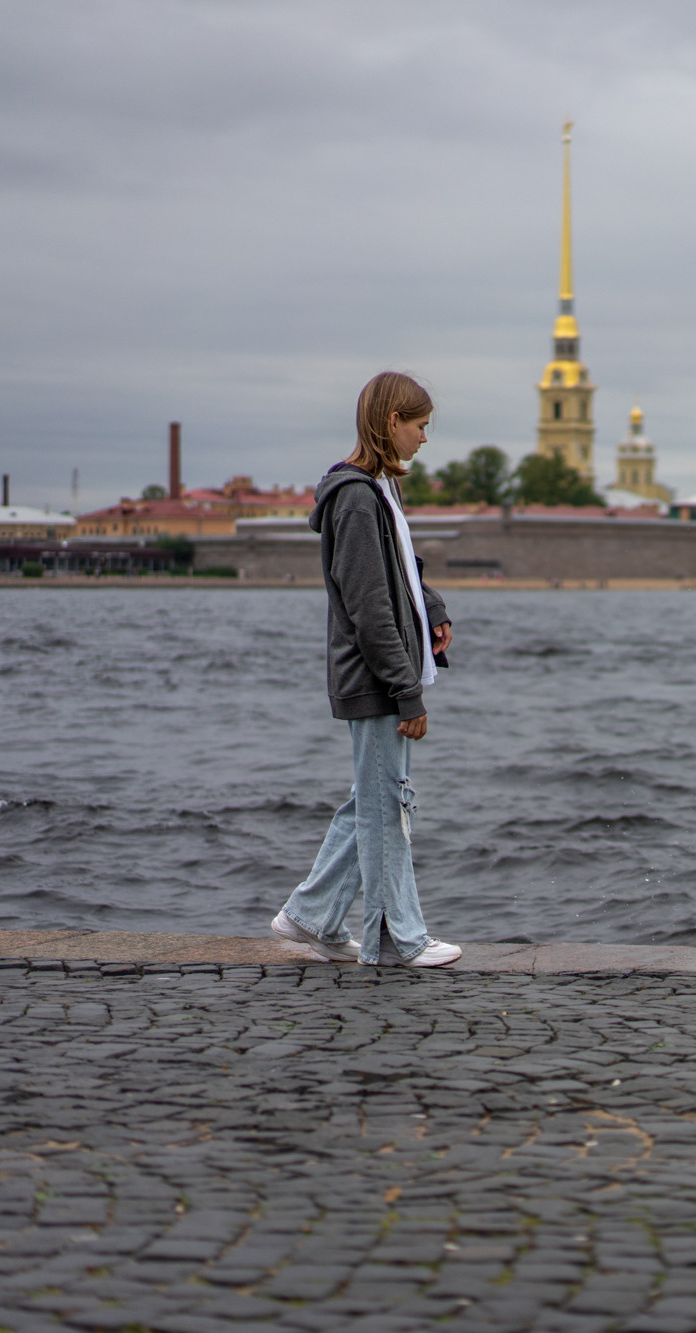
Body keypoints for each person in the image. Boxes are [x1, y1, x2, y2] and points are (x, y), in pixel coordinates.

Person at [270, 371, 463, 967]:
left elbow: (405, 567)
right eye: (420, 426)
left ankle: (311, 917)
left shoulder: (383, 490)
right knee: (387, 811)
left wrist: (432, 610)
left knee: (375, 802)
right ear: (390, 423)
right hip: (376, 679)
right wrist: (408, 692)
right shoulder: (355, 498)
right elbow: (368, 604)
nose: (426, 438)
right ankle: (397, 938)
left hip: (393, 671)